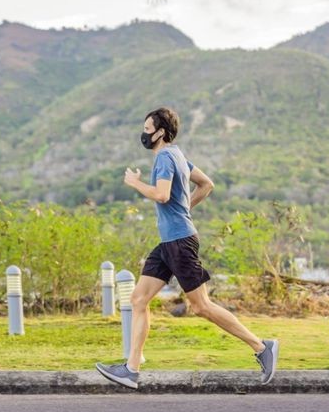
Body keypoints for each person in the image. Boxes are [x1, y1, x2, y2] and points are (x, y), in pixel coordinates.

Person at [95, 107, 278, 390]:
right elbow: (207, 184)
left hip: (180, 242)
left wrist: (135, 183)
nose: (143, 134)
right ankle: (131, 369)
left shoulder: (165, 158)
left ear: (161, 133)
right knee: (138, 299)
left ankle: (261, 346)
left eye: (147, 129)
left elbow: (161, 194)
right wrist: (185, 209)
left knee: (201, 306)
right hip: (170, 242)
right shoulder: (178, 155)